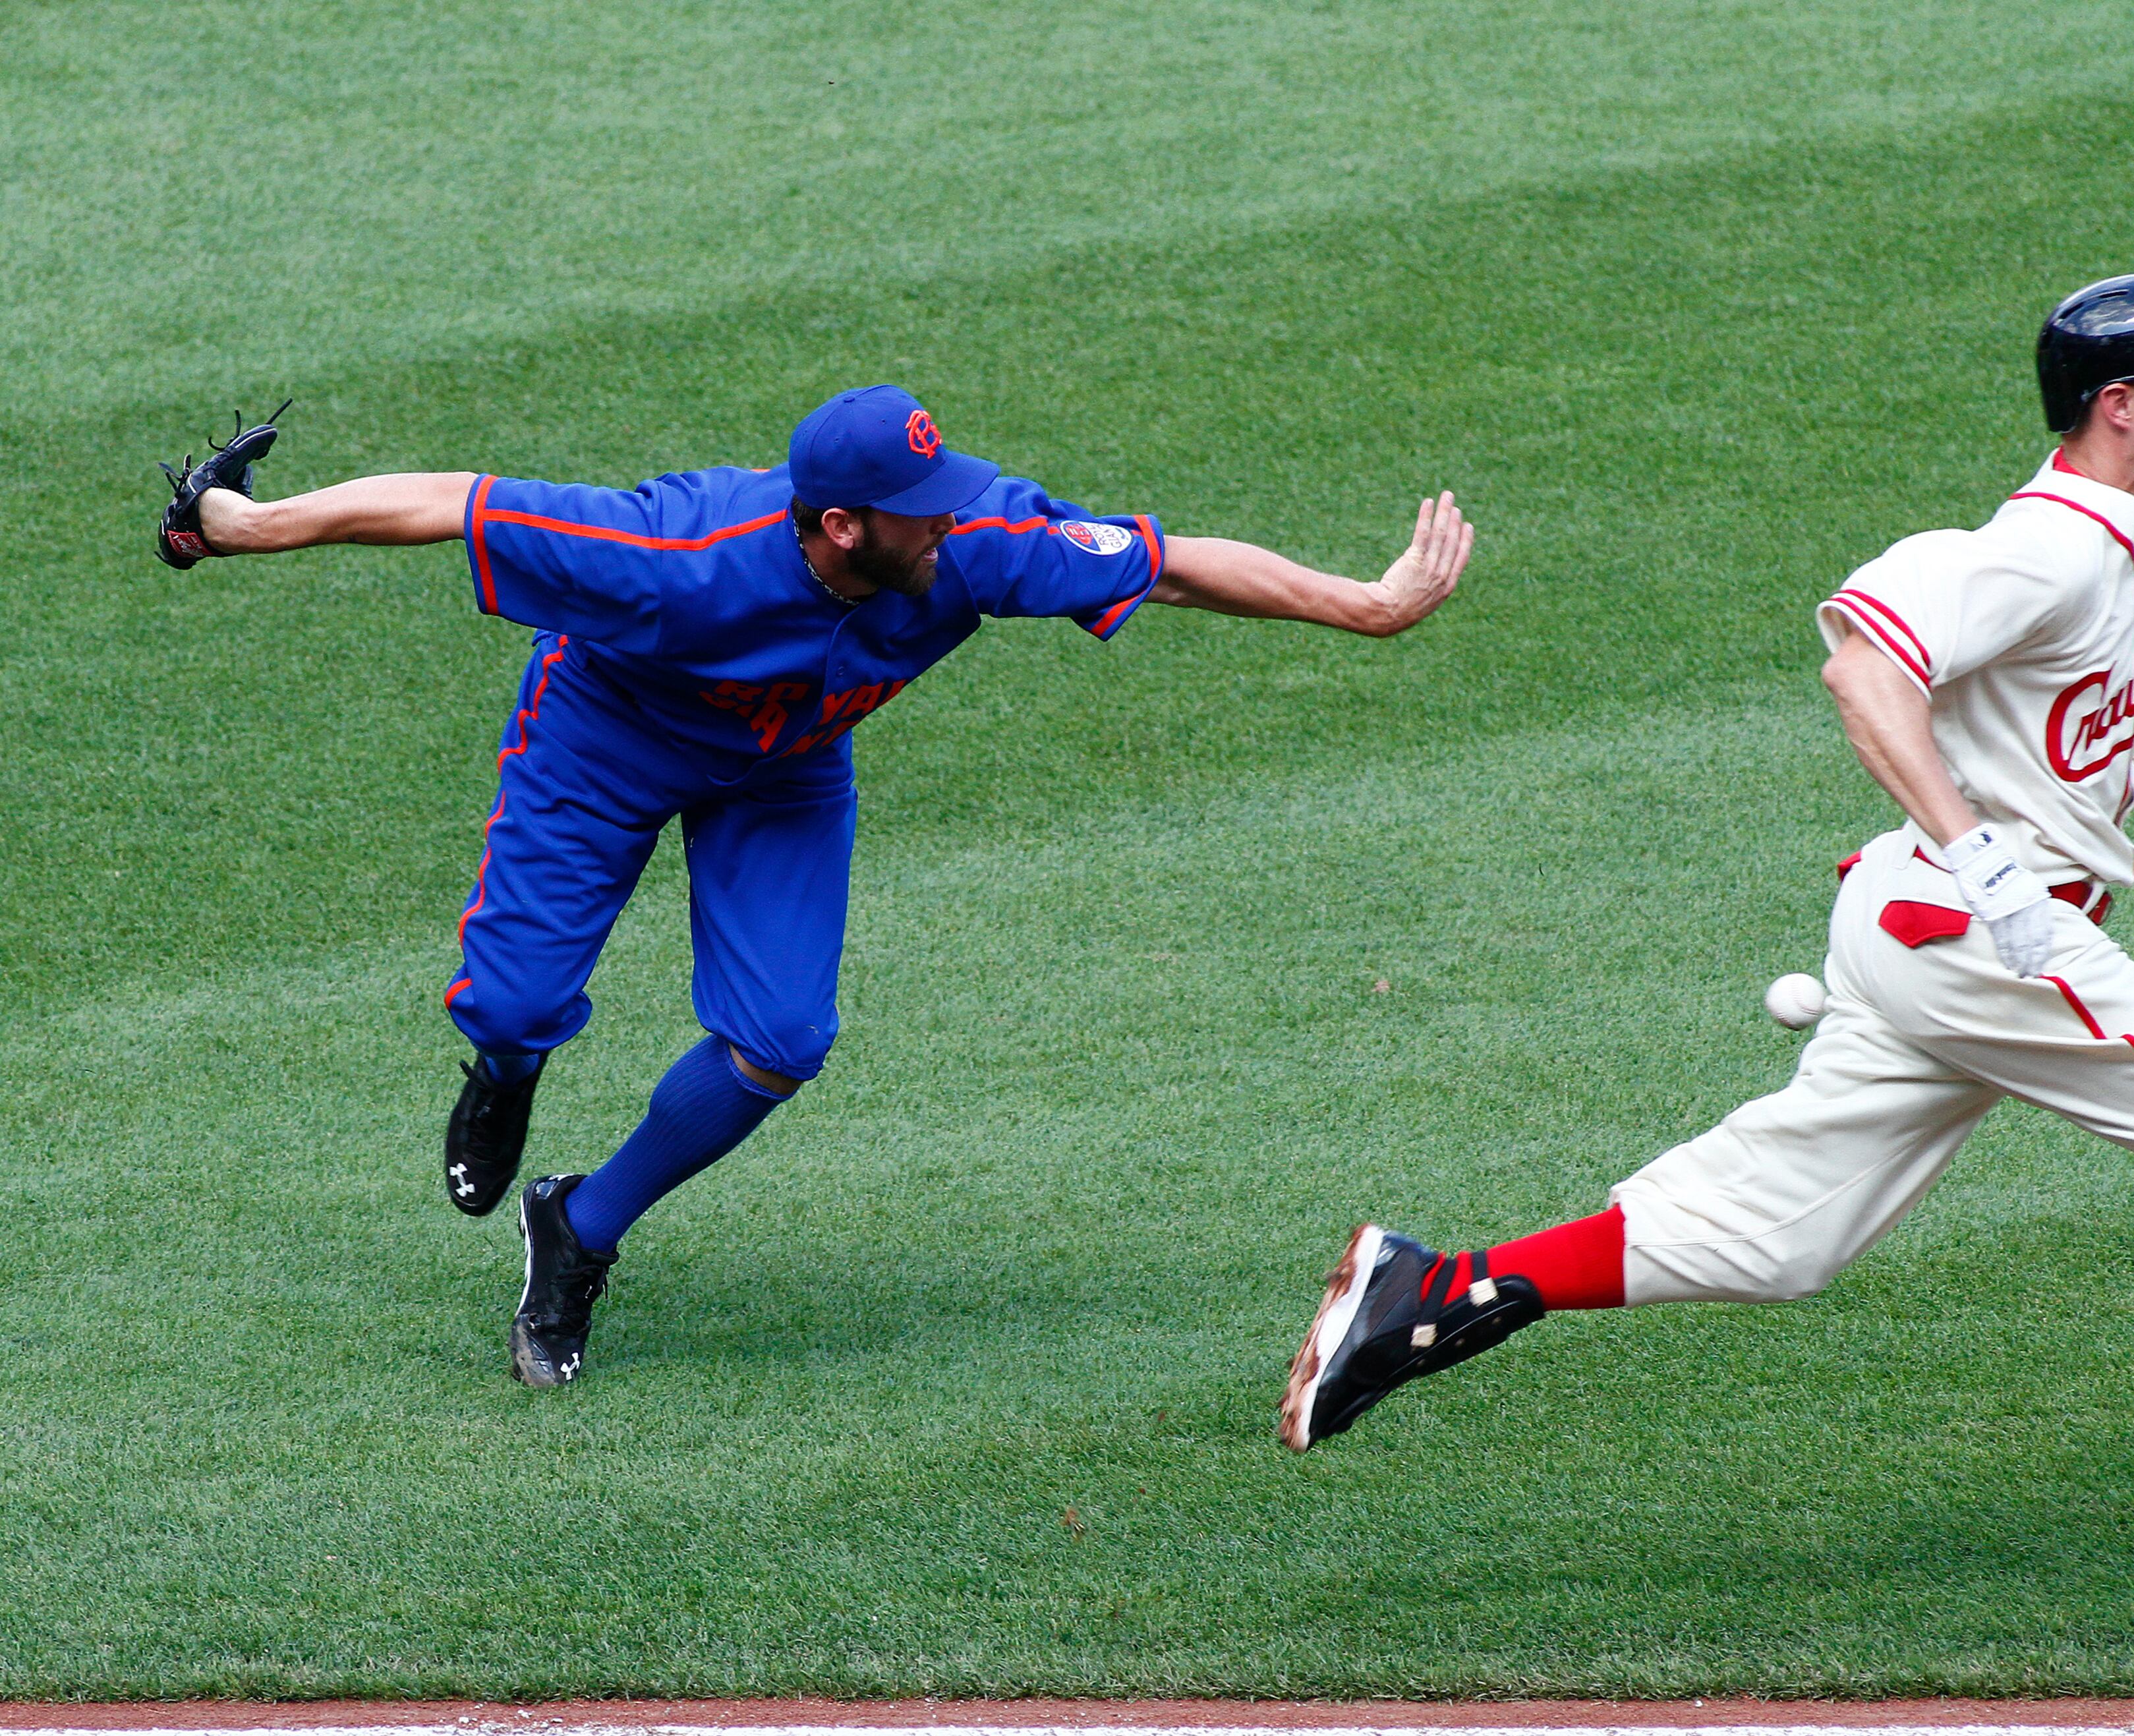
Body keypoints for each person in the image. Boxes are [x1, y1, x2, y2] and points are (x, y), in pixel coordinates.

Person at [1277, 275, 2134, 1612]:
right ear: (2116, 408)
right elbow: (1862, 667)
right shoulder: (2043, 548)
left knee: (1784, 1238)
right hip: (1979, 928)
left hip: (1942, 930)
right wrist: (1983, 856)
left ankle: (1430, 1291)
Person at [156, 384, 1473, 1387]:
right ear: (842, 525)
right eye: (926, 504)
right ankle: (505, 1073)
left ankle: (581, 1228)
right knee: (511, 1009)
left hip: (782, 773)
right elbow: (454, 501)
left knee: (782, 1039)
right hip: (604, 740)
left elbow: (1168, 558)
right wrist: (249, 522)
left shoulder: (976, 542)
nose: (958, 513)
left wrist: (1365, 603)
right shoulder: (675, 550)